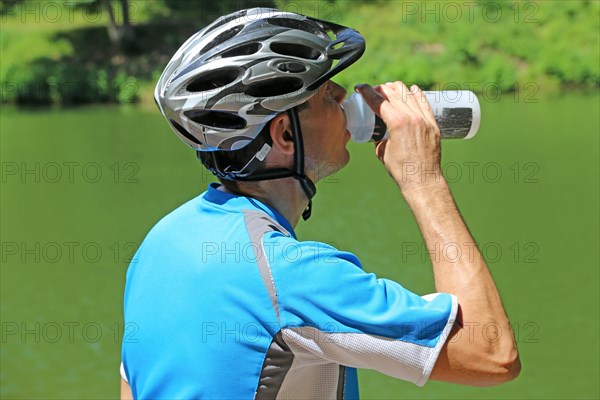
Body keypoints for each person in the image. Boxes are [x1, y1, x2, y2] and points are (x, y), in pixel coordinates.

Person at [120, 8, 520, 399]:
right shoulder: (292, 277)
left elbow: (131, 386)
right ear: (284, 136)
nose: (346, 95)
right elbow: (490, 354)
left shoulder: (161, 243)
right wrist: (423, 180)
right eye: (328, 93)